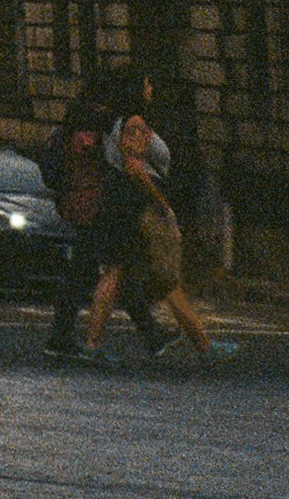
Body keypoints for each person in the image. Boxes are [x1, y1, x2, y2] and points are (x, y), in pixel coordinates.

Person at [81, 109, 238, 366]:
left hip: (123, 202)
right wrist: (163, 204)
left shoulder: (115, 122)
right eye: (146, 83)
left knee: (128, 274)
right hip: (138, 206)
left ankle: (197, 344)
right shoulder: (134, 122)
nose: (150, 87)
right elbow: (134, 167)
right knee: (145, 274)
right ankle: (203, 346)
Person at [40, 88, 168, 362]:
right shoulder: (87, 135)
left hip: (85, 208)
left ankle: (151, 333)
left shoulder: (61, 134)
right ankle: (69, 337)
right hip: (95, 209)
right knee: (107, 271)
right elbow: (111, 163)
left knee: (111, 270)